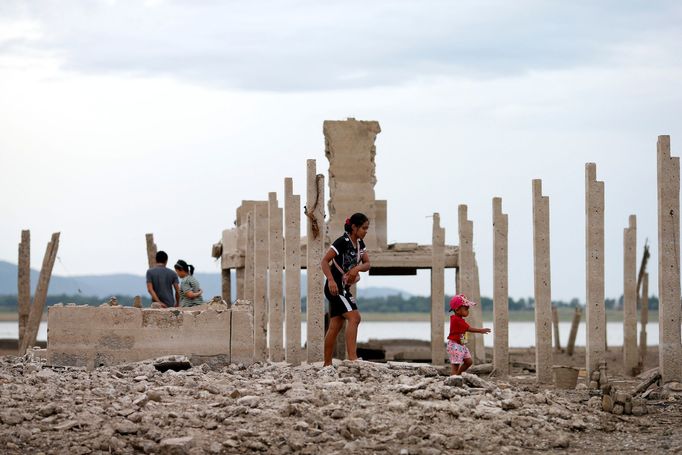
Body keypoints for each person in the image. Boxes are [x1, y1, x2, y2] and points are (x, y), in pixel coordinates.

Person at [321, 213, 371, 366]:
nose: (365, 231)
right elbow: (324, 261)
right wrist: (330, 280)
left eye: (367, 228)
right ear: (354, 227)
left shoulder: (360, 244)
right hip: (335, 288)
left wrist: (357, 268)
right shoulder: (342, 241)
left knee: (336, 325)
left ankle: (327, 364)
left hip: (344, 289)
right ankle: (353, 358)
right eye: (363, 228)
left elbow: (367, 264)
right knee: (355, 318)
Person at [447, 294, 491, 376]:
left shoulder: (459, 319)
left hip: (460, 345)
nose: (468, 311)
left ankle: (457, 376)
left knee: (469, 362)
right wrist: (481, 330)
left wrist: (464, 342)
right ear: (457, 310)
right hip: (455, 346)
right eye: (466, 309)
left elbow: (460, 332)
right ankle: (454, 379)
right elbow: (468, 329)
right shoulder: (456, 320)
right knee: (455, 365)